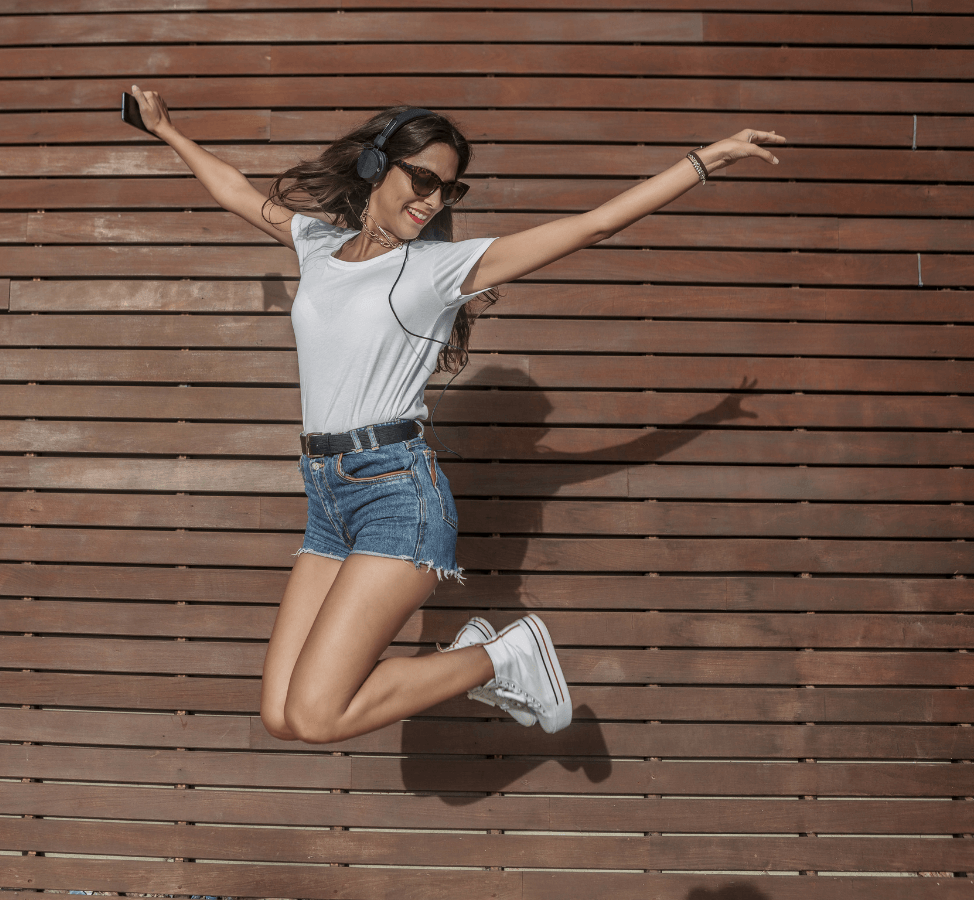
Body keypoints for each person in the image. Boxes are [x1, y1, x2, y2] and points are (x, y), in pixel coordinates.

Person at [128, 85, 786, 745]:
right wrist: (167, 131)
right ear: (374, 167)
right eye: (422, 179)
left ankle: (502, 656)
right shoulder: (317, 248)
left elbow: (594, 225)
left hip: (396, 496)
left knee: (318, 715)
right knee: (281, 716)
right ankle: (477, 662)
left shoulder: (440, 269)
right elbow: (237, 191)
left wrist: (707, 160)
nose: (433, 199)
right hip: (327, 496)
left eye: (448, 189)